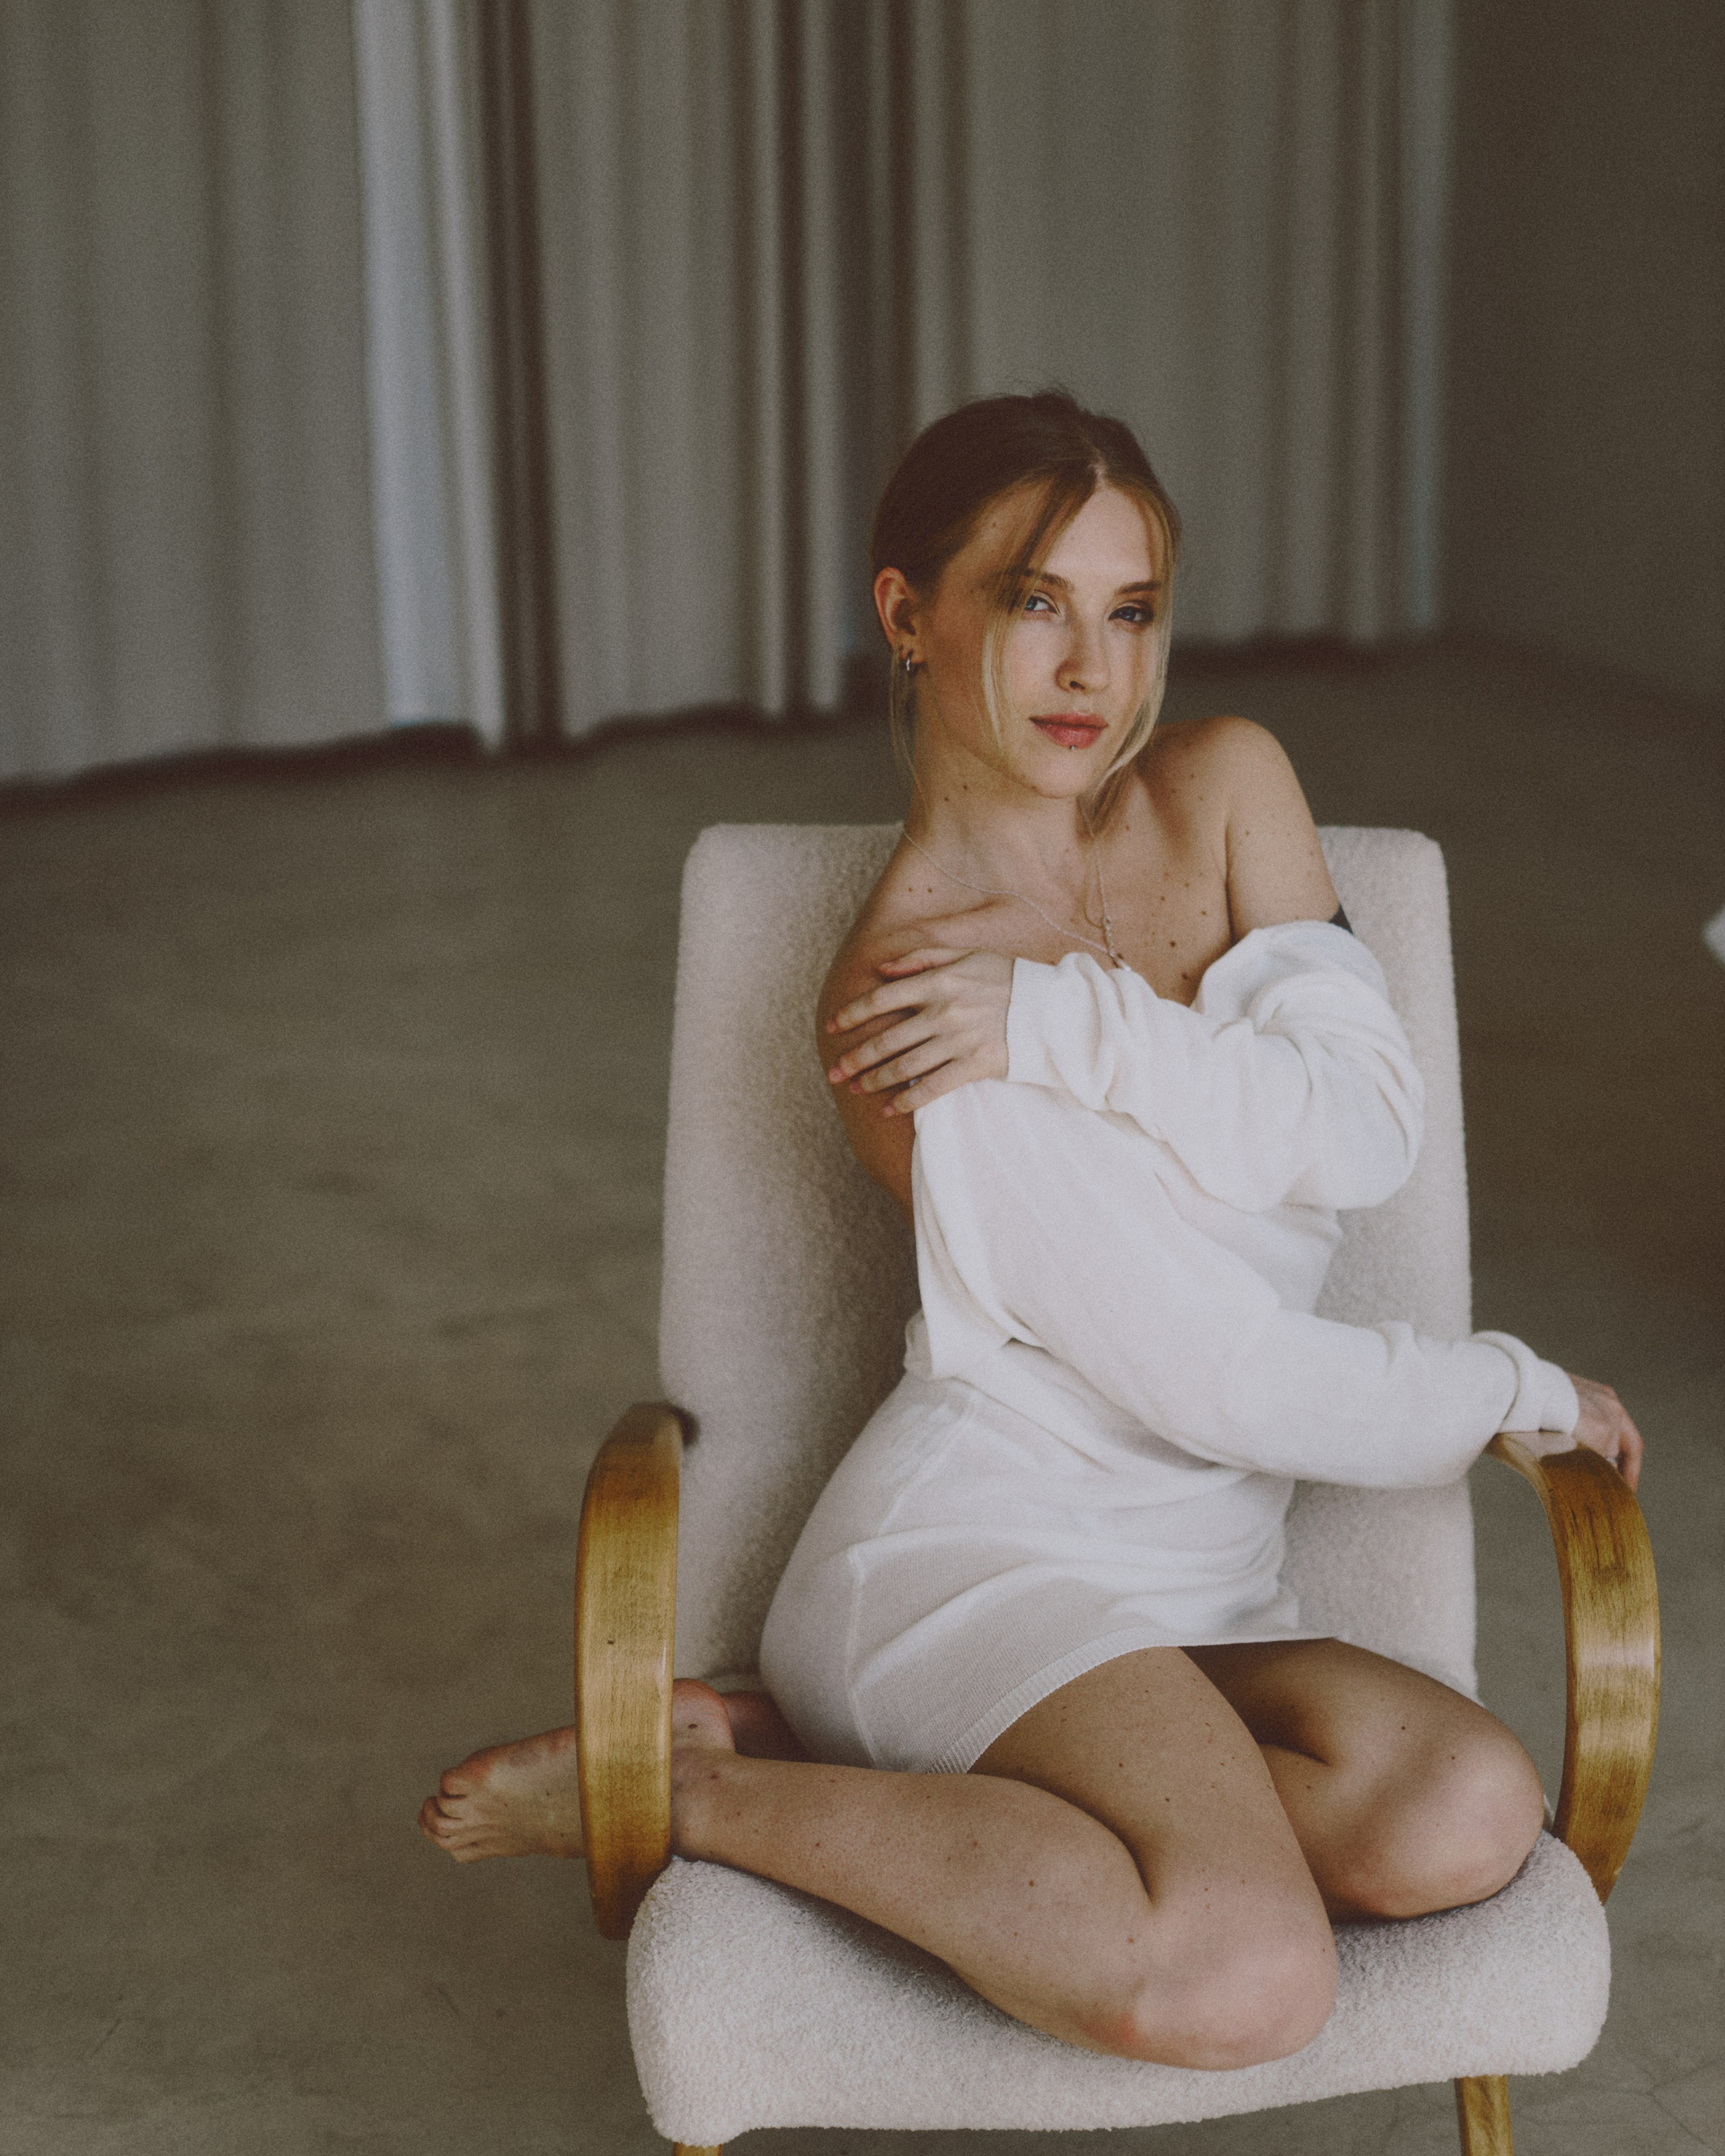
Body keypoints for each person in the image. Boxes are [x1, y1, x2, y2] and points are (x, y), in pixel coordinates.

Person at [420, 391, 1642, 2071]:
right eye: (1033, 602)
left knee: (1459, 1809)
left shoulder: (1224, 787)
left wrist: (1068, 1023)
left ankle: (842, 1756)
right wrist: (1515, 1388)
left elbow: (1367, 1130)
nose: (1094, 670)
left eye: (1130, 612)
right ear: (906, 614)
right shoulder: (904, 991)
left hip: (1197, 1582)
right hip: (982, 1561)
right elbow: (1220, 1374)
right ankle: (685, 1791)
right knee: (1241, 1978)